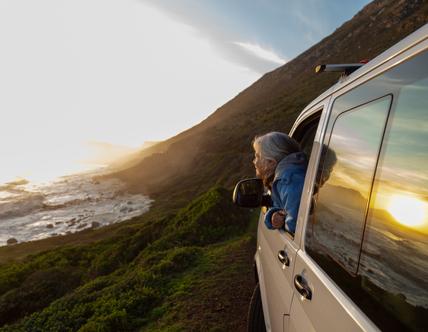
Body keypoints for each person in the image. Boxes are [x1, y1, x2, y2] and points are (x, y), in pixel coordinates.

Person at [252, 132, 308, 234]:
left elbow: (294, 227)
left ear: (271, 163)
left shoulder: (288, 181)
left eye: (257, 156)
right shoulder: (282, 180)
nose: (254, 161)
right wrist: (274, 214)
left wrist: (282, 223)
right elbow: (284, 206)